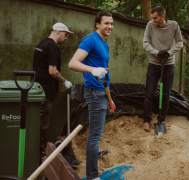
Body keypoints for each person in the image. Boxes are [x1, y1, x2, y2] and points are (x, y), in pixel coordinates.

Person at [68, 11, 114, 180]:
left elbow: (105, 73)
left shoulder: (104, 43)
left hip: (102, 92)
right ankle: (92, 176)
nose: (109, 26)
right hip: (94, 93)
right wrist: (92, 70)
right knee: (95, 135)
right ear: (97, 24)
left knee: (97, 134)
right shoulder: (90, 39)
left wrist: (110, 98)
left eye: (111, 23)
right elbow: (73, 63)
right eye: (106, 23)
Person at [33, 22, 73, 157]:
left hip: (37, 88)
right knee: (43, 124)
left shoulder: (41, 44)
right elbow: (52, 71)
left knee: (37, 122)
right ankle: (39, 154)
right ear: (59, 32)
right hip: (45, 90)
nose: (66, 38)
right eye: (66, 35)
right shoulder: (53, 47)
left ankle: (36, 152)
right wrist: (64, 81)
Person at [142, 6, 183, 132]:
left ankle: (162, 119)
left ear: (162, 17)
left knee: (166, 94)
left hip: (168, 64)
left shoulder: (174, 25)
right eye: (152, 18)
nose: (153, 20)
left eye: (155, 18)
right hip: (154, 64)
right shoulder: (150, 25)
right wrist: (157, 52)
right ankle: (146, 120)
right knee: (149, 93)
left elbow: (180, 43)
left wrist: (169, 53)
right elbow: (145, 43)